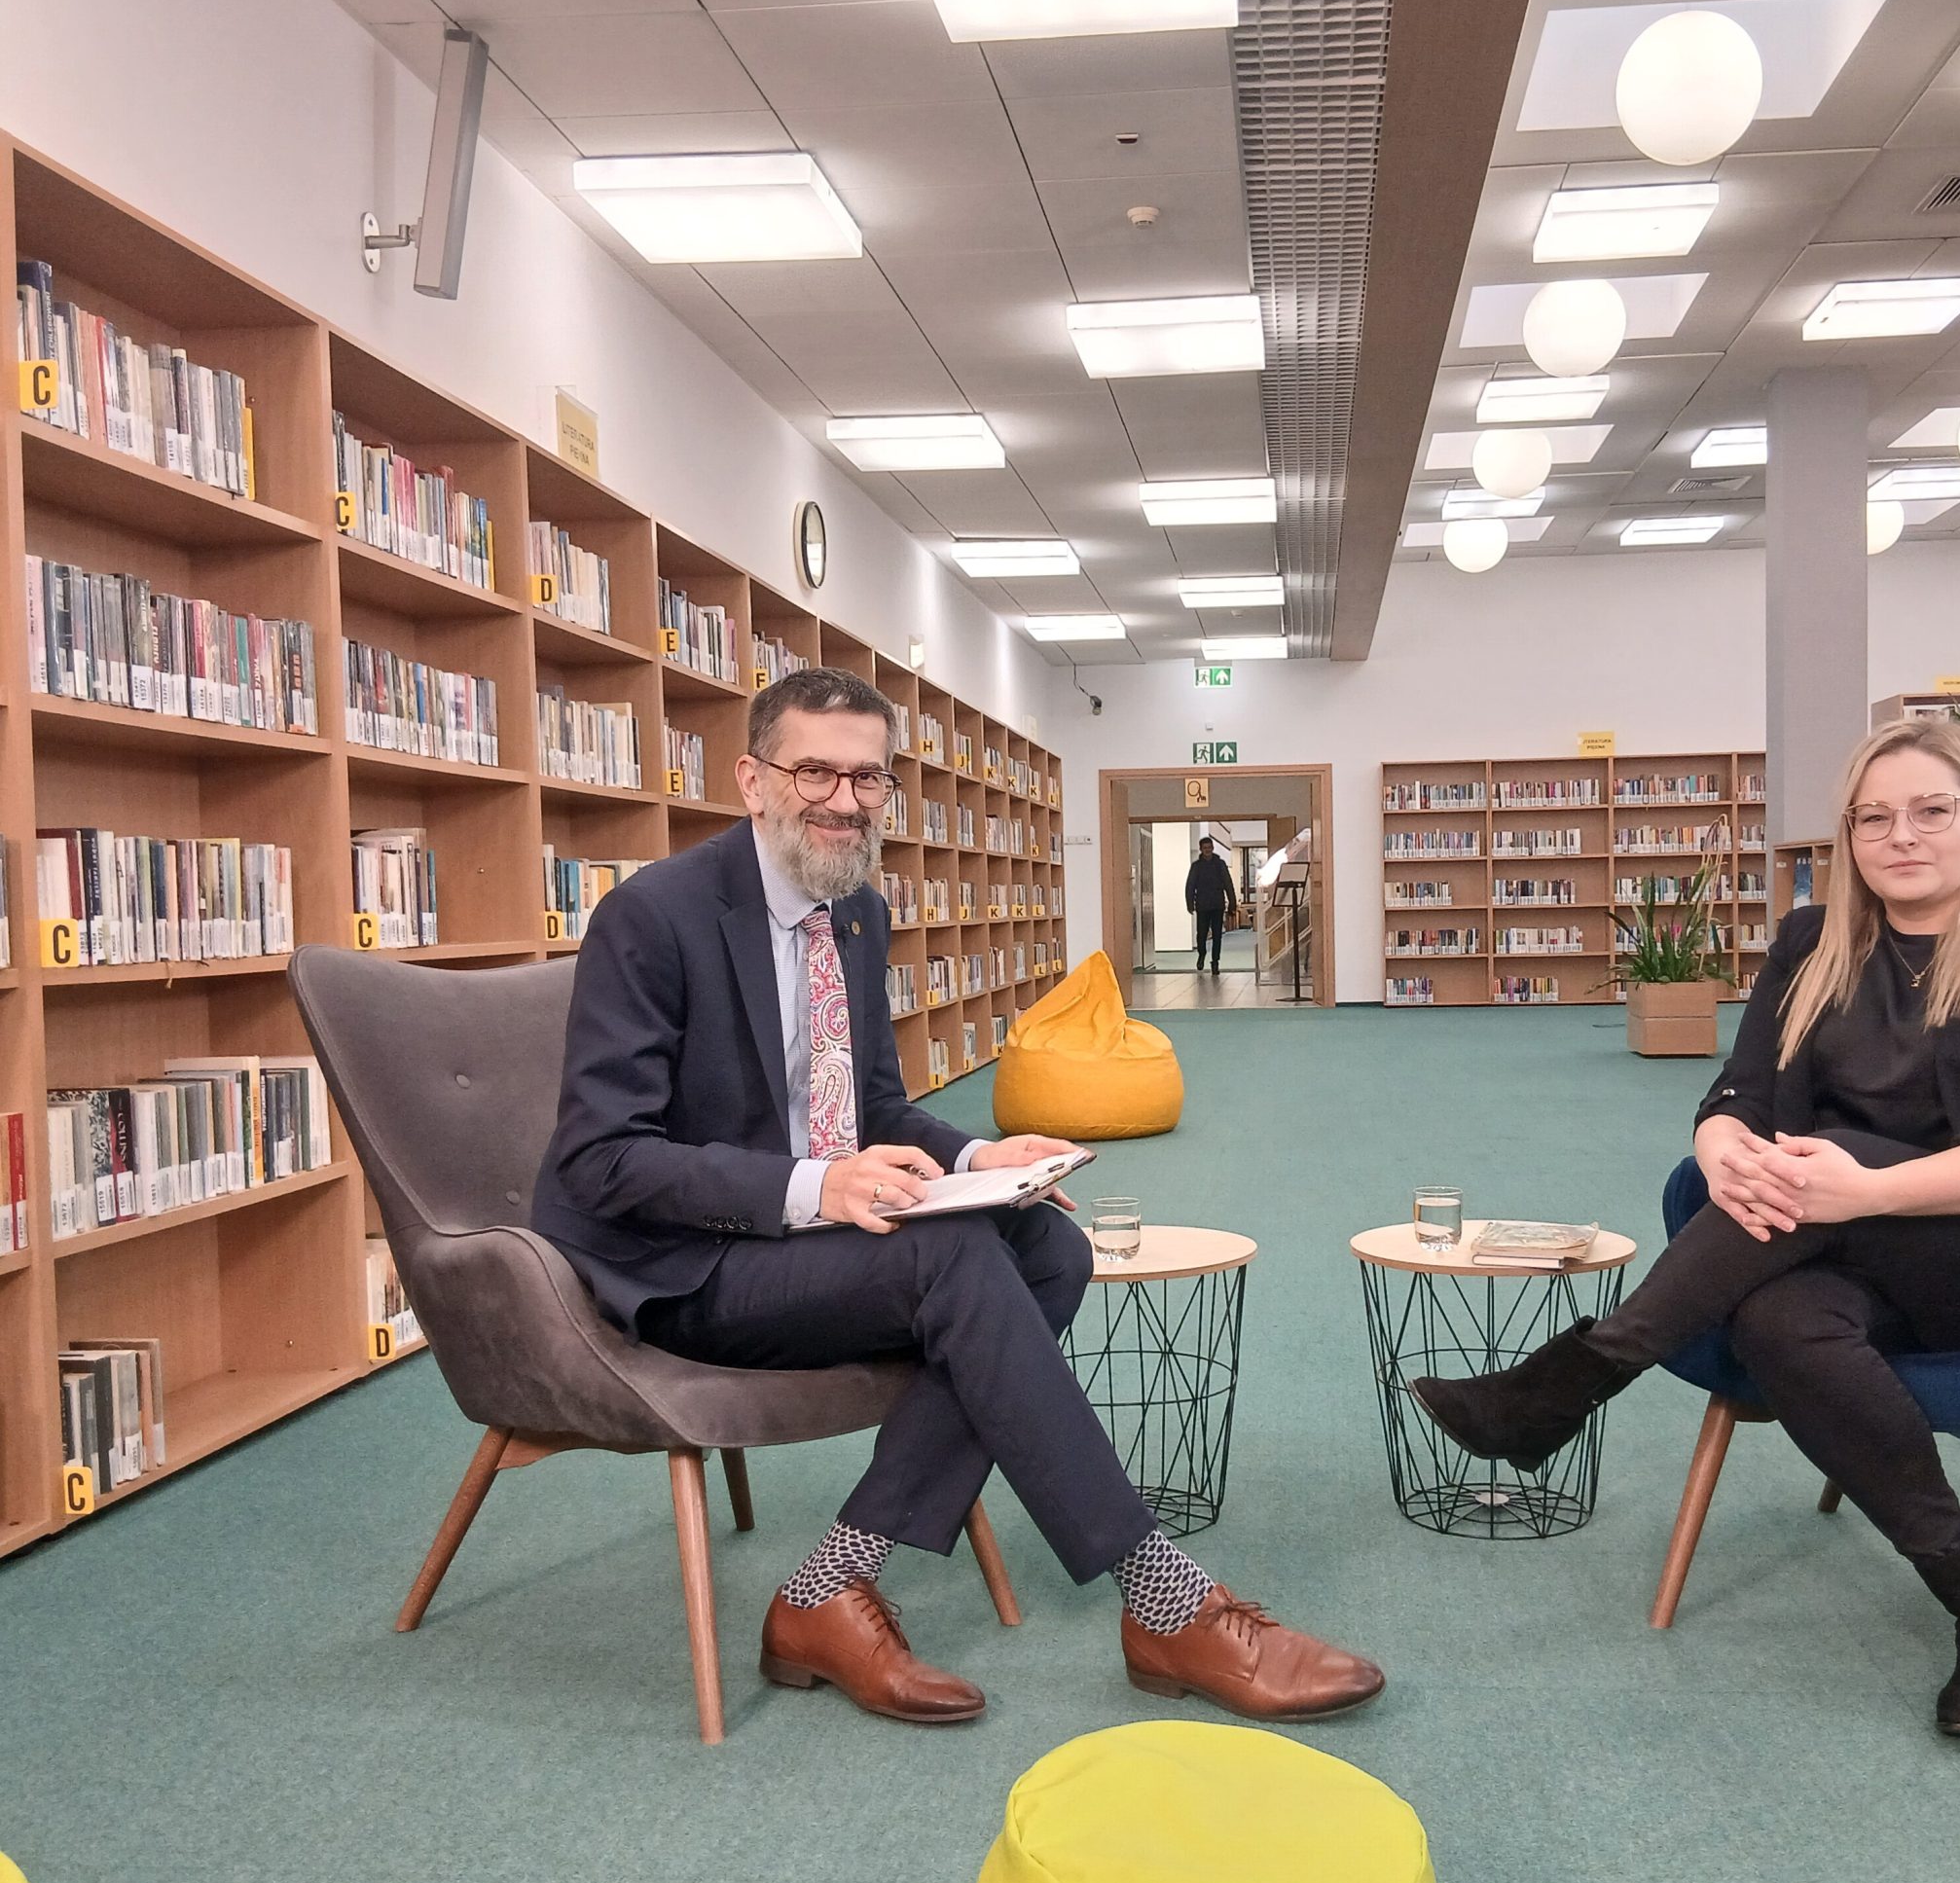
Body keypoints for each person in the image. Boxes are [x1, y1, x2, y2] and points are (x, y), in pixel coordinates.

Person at [533, 667, 1382, 1726]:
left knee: (1047, 1249)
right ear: (752, 779)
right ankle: (1164, 1599)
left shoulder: (856, 907)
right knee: (953, 1257)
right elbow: (601, 1159)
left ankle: (829, 1585)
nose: (844, 801)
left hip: (808, 1237)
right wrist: (814, 1183)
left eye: (868, 779)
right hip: (684, 1262)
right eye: (814, 773)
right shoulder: (652, 916)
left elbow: (876, 1104)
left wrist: (981, 1156)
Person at [1411, 714, 1960, 1740]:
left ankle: (1565, 1383)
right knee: (1777, 1320)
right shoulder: (1812, 941)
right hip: (1826, 1235)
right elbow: (1739, 1092)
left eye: (1931, 810)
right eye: (1873, 818)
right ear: (1848, 834)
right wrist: (1722, 1151)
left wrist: (1865, 1188)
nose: (1901, 835)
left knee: (1822, 1162)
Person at [1184, 837, 1240, 973]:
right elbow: (1190, 885)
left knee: (1217, 936)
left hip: (1217, 905)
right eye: (1205, 848)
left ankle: (1215, 962)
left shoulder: (1220, 864)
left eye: (1209, 847)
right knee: (1201, 934)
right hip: (1202, 905)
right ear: (1201, 849)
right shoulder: (1196, 866)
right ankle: (1202, 954)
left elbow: (1228, 884)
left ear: (1212, 848)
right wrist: (1190, 903)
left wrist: (1232, 903)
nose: (1207, 850)